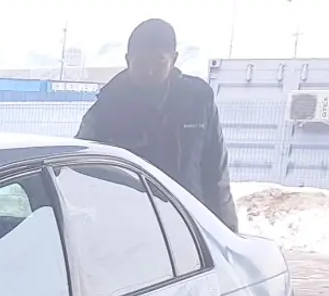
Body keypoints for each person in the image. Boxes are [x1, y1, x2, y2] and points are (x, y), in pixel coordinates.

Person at [78, 19, 238, 230]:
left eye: (159, 63)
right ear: (127, 60)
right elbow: (80, 169)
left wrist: (226, 232)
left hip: (189, 225)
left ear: (174, 59)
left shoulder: (198, 101)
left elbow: (215, 172)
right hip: (128, 228)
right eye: (141, 64)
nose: (150, 72)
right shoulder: (108, 107)